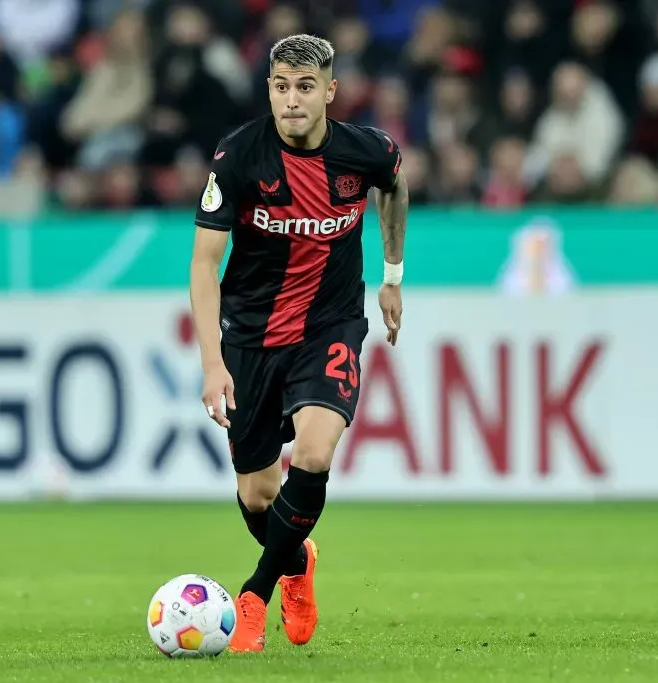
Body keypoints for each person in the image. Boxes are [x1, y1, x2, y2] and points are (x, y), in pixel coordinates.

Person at [188, 33, 409, 653]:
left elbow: (395, 184)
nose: (292, 99)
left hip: (330, 325)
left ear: (329, 93)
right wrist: (212, 364)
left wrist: (392, 276)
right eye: (281, 86)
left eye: (305, 87)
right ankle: (296, 562)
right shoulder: (238, 158)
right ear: (269, 90)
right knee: (258, 493)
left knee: (313, 455)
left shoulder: (364, 152)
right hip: (252, 335)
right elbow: (204, 265)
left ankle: (255, 595)